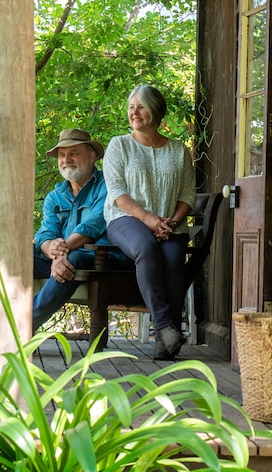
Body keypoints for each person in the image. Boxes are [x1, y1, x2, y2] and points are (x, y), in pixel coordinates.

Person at [103, 85, 196, 360]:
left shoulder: (178, 151)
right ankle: (167, 327)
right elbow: (117, 193)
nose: (135, 113)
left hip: (170, 224)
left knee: (173, 257)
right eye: (132, 107)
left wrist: (172, 221)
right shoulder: (119, 145)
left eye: (141, 107)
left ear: (155, 110)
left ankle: (163, 344)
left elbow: (187, 194)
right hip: (126, 220)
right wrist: (149, 220)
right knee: (146, 247)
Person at [32, 128, 108, 332]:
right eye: (62, 155)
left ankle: (23, 325)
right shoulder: (55, 196)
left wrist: (61, 251)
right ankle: (0, 318)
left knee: (73, 259)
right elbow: (46, 233)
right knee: (19, 256)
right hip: (63, 256)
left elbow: (93, 225)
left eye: (74, 153)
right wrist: (52, 251)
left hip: (98, 258)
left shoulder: (107, 185)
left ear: (92, 156)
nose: (66, 159)